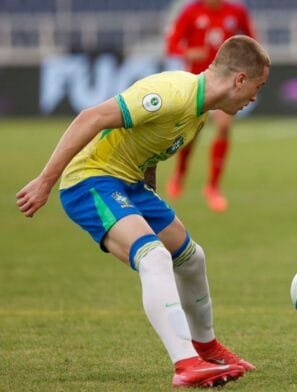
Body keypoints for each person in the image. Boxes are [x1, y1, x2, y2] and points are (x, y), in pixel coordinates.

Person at [16, 35, 270, 387]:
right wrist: (45, 181)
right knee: (153, 256)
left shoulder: (198, 112)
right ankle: (186, 364)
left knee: (192, 257)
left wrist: (147, 192)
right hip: (90, 180)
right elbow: (91, 117)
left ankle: (207, 348)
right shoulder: (172, 92)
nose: (255, 97)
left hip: (130, 185)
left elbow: (148, 146)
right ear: (240, 79)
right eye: (257, 86)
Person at [165, 0, 257, 212]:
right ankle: (179, 174)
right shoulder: (191, 11)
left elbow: (252, 40)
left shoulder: (236, 11)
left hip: (227, 82)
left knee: (223, 127)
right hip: (198, 81)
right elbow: (172, 44)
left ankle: (213, 187)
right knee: (192, 132)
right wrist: (188, 52)